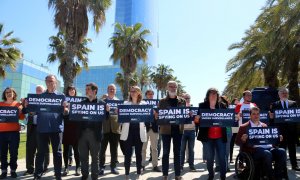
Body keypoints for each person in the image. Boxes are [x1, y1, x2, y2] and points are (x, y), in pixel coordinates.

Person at [25, 75, 68, 180]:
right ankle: (37, 174)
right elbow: (32, 113)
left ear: (56, 83)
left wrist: (66, 110)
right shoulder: (40, 97)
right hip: (42, 128)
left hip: (56, 128)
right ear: (45, 82)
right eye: (48, 81)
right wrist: (28, 107)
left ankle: (58, 174)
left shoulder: (61, 96)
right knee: (40, 152)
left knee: (57, 153)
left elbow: (66, 112)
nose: (50, 83)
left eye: (52, 81)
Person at [236, 106, 287, 179]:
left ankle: (277, 175)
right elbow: (237, 142)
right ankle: (270, 176)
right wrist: (243, 139)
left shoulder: (264, 125)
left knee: (282, 151)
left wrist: (278, 139)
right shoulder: (244, 127)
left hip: (269, 148)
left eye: (257, 114)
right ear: (250, 115)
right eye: (254, 114)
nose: (256, 116)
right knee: (267, 153)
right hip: (254, 151)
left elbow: (271, 140)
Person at [78, 83, 109, 180]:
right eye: (86, 89)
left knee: (95, 157)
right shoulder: (81, 103)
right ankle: (84, 175)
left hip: (95, 134)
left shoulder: (102, 104)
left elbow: (106, 118)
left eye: (88, 89)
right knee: (83, 157)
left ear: (95, 91)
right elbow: (75, 117)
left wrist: (107, 111)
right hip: (82, 134)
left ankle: (94, 176)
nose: (86, 91)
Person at [195, 88, 227, 180]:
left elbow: (227, 118)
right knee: (209, 158)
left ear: (218, 96)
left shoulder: (223, 106)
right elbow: (198, 121)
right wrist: (197, 119)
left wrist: (234, 117)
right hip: (208, 136)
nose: (213, 95)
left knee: (222, 158)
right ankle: (211, 175)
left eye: (215, 94)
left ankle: (223, 176)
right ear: (208, 95)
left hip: (220, 136)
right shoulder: (202, 106)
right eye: (211, 93)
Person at [157, 81, 186, 180]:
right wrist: (156, 115)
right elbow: (159, 115)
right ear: (167, 88)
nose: (173, 88)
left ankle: (177, 175)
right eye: (171, 86)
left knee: (177, 153)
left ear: (177, 88)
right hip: (166, 130)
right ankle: (165, 174)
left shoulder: (182, 101)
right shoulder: (162, 101)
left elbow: (184, 115)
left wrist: (188, 115)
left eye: (175, 86)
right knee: (165, 153)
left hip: (178, 130)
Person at [120, 86, 147, 180]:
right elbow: (121, 118)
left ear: (139, 92)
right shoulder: (125, 103)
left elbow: (147, 118)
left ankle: (138, 172)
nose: (132, 93)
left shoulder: (144, 104)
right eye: (131, 91)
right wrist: (118, 113)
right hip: (128, 132)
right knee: (127, 154)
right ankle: (126, 174)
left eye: (134, 91)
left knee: (138, 154)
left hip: (139, 132)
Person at [269, 87, 300, 171]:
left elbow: (296, 118)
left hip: (291, 131)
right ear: (279, 95)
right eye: (282, 93)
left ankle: (294, 165)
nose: (284, 94)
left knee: (292, 149)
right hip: (280, 132)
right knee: (281, 149)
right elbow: (271, 119)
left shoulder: (293, 103)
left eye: (286, 92)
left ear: (288, 94)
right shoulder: (275, 104)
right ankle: (282, 166)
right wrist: (271, 117)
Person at [22, 85, 50, 176]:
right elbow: (23, 111)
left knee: (44, 149)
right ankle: (30, 169)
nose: (38, 91)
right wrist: (25, 105)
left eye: (40, 90)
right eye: (37, 90)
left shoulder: (48, 99)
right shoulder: (29, 99)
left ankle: (44, 168)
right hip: (32, 128)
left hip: (43, 128)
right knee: (30, 149)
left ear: (44, 91)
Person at [0, 87, 25, 178]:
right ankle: (3, 171)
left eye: (10, 92)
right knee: (3, 153)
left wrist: (20, 110)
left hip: (14, 132)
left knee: (14, 153)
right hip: (1, 133)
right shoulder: (0, 104)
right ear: (4, 94)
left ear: (14, 94)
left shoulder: (18, 104)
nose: (8, 94)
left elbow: (22, 118)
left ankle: (13, 170)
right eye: (7, 92)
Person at [99, 84, 121, 175]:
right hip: (104, 129)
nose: (111, 90)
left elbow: (122, 115)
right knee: (102, 150)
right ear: (107, 90)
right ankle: (101, 167)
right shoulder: (102, 101)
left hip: (115, 129)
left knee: (114, 150)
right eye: (110, 89)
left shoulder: (119, 102)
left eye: (113, 89)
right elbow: (99, 113)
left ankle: (113, 167)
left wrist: (118, 112)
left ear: (115, 91)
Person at [62, 86, 80, 176]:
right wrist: (64, 109)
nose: (72, 91)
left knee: (76, 149)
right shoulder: (64, 101)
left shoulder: (80, 101)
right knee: (65, 149)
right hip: (66, 127)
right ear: (67, 91)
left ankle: (78, 168)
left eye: (73, 89)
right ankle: (66, 167)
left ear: (75, 91)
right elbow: (60, 114)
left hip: (76, 128)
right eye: (70, 90)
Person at [141, 89, 161, 172]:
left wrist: (157, 114)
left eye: (152, 94)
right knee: (143, 148)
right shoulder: (142, 103)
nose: (151, 95)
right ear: (146, 95)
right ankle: (142, 165)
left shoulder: (158, 104)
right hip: (144, 128)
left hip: (154, 128)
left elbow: (161, 114)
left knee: (154, 148)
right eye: (149, 94)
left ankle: (155, 165)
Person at [180, 93, 196, 171]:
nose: (187, 99)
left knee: (191, 149)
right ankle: (180, 165)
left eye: (188, 98)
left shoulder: (194, 108)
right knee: (182, 149)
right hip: (182, 131)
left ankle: (191, 165)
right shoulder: (179, 109)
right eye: (185, 98)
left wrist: (193, 116)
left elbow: (197, 120)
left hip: (192, 131)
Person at [229, 98, 239, 163]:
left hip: (239, 126)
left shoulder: (240, 107)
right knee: (231, 142)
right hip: (233, 126)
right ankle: (231, 158)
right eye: (236, 101)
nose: (237, 102)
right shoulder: (230, 107)